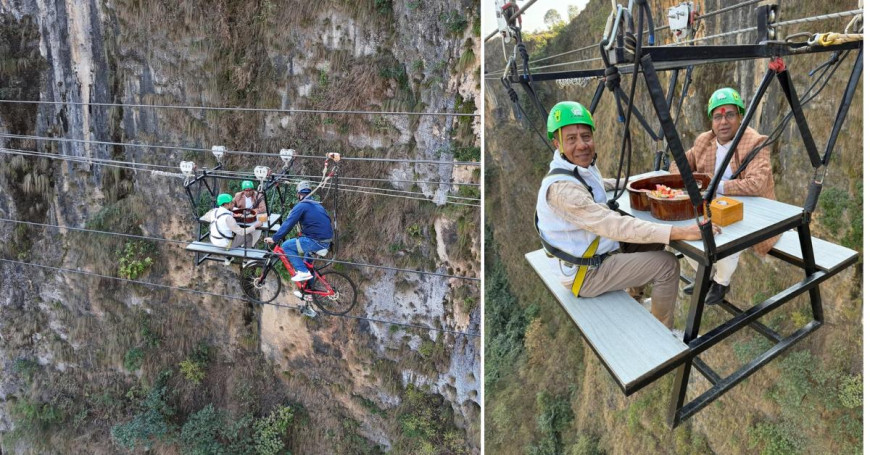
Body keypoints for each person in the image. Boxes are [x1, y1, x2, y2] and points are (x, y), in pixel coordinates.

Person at [535, 101, 718, 329]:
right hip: (586, 273)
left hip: (596, 251)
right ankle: (662, 332)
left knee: (653, 241)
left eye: (586, 136)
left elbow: (598, 185)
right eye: (571, 139)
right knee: (668, 265)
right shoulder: (562, 191)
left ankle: (634, 296)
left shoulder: (576, 168)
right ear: (557, 143)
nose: (582, 145)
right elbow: (614, 225)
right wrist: (680, 232)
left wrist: (640, 183)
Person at [669, 87, 776, 305]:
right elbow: (677, 165)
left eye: (730, 115)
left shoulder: (755, 142)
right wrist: (691, 182)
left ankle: (721, 281)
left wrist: (716, 186)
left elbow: (756, 184)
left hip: (748, 209)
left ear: (740, 117)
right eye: (717, 116)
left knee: (725, 237)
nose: (723, 122)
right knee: (681, 231)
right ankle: (704, 273)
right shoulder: (704, 141)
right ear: (711, 121)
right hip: (712, 204)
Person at [265, 181, 334, 282]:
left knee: (286, 246)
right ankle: (309, 293)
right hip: (326, 241)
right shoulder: (318, 205)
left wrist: (275, 238)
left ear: (298, 194)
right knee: (307, 263)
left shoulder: (301, 206)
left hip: (316, 241)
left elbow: (289, 223)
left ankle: (303, 272)